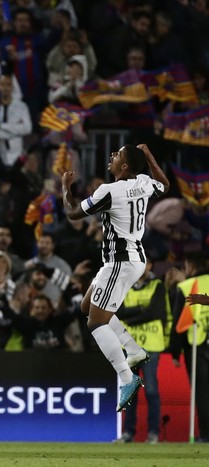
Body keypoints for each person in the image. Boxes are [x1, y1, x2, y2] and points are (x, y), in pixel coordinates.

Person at [60, 143, 169, 412]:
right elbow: (164, 185)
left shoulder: (109, 191)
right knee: (87, 306)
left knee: (95, 323)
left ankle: (126, 377)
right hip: (133, 260)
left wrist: (65, 188)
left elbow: (73, 213)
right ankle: (134, 350)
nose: (112, 156)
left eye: (117, 154)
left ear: (124, 167)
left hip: (119, 262)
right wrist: (149, 154)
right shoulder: (144, 182)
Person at [116, 259, 167, 444]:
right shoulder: (124, 285)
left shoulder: (158, 285)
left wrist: (132, 315)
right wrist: (141, 310)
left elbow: (155, 312)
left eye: (145, 263)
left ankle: (153, 433)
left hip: (151, 346)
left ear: (151, 266)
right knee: (129, 391)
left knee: (151, 390)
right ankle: (128, 433)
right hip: (128, 346)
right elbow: (118, 312)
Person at [170, 252, 209, 442]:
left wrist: (175, 352)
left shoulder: (186, 287)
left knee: (202, 392)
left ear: (190, 265)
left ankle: (206, 435)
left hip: (197, 347)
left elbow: (178, 323)